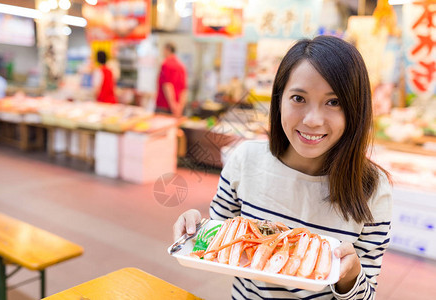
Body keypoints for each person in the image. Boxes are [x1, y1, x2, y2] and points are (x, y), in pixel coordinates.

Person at [172, 35, 393, 300]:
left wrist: (349, 276)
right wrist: (193, 229)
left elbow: (365, 295)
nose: (312, 120)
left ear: (356, 109)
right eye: (298, 98)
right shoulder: (245, 160)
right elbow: (217, 237)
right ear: (279, 100)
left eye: (333, 102)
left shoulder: (373, 189)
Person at [156, 42, 187, 117]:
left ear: (167, 50)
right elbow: (184, 89)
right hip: (177, 108)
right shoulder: (181, 66)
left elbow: (167, 85)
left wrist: (173, 106)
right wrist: (180, 107)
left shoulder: (165, 64)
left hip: (164, 107)